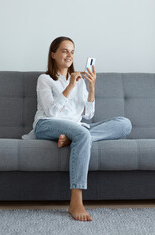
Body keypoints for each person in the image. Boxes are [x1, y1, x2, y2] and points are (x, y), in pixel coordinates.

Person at [32, 36, 132, 221]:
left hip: (77, 127)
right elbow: (52, 112)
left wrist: (91, 86)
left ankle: (74, 138)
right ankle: (76, 201)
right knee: (82, 133)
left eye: (72, 51)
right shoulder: (45, 79)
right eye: (64, 51)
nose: (69, 55)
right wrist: (70, 85)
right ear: (53, 54)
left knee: (124, 124)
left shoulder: (79, 80)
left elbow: (88, 115)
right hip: (47, 124)